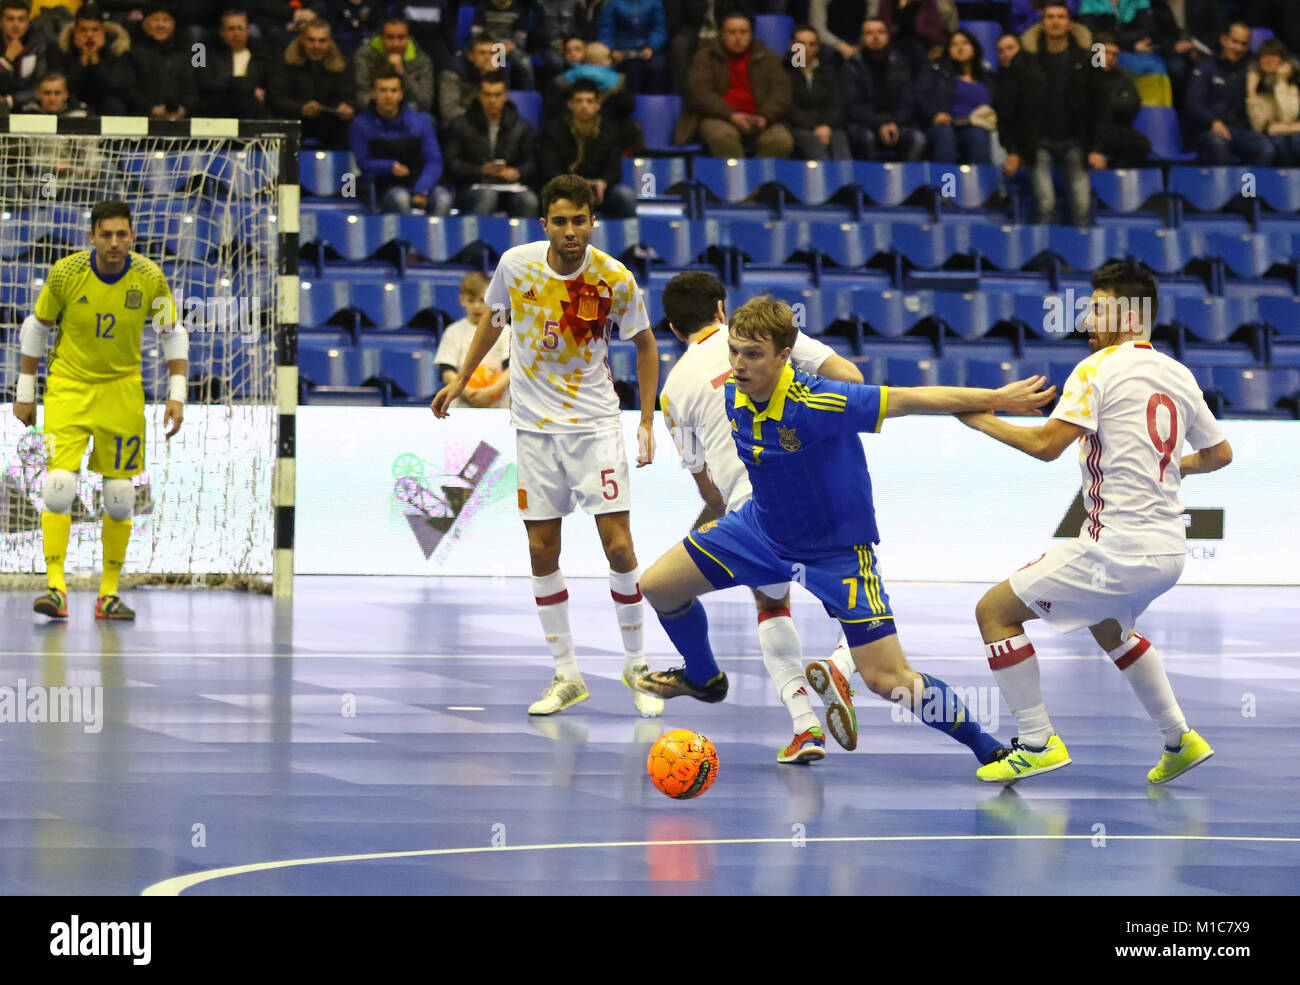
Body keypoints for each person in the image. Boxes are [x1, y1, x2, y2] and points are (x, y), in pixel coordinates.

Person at [633, 297, 1057, 768]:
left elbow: (910, 399)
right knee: (657, 586)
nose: (738, 364)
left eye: (752, 354)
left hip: (836, 553)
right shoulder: (735, 392)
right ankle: (705, 677)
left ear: (783, 356)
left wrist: (998, 399)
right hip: (759, 529)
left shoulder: (818, 402)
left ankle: (989, 748)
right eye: (734, 351)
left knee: (888, 679)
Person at [955, 259, 1231, 785]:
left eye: (1098, 310)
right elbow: (1220, 454)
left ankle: (1036, 743)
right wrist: (1170, 465)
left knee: (994, 611)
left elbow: (1044, 446)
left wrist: (981, 418)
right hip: (1170, 552)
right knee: (1110, 627)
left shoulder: (1097, 369)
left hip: (1115, 548)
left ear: (1129, 315)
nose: (1087, 322)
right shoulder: (1178, 372)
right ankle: (1179, 738)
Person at [432, 175, 662, 719]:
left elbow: (647, 346)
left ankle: (637, 666)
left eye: (579, 220)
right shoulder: (515, 265)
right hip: (534, 430)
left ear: (591, 222)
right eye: (559, 221)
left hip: (597, 426)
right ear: (545, 225)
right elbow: (493, 322)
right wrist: (462, 380)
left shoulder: (614, 278)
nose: (570, 231)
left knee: (620, 547)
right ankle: (566, 675)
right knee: (541, 552)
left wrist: (647, 419)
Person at [658, 272, 865, 762]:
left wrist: (717, 525)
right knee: (864, 604)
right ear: (722, 310)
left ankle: (804, 727)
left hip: (753, 514)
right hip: (819, 491)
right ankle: (841, 663)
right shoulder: (770, 342)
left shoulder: (674, 390)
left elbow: (708, 487)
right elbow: (853, 380)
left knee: (771, 604)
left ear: (671, 327)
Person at [12, 200, 188, 622]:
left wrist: (177, 393)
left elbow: (171, 332)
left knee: (120, 498)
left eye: (121, 234)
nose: (114, 242)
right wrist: (25, 389)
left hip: (122, 392)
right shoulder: (66, 274)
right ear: (91, 236)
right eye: (105, 234)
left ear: (131, 237)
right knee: (58, 486)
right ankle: (56, 589)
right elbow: (37, 327)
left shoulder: (150, 278)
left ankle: (107, 595)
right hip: (69, 388)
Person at [675, 12, 793, 158]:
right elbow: (701, 94)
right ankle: (736, 179)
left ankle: (760, 179)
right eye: (732, 32)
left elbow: (781, 92)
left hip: (760, 118)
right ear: (721, 34)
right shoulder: (705, 57)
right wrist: (731, 115)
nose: (738, 37)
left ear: (751, 34)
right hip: (720, 117)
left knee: (781, 141)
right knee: (722, 137)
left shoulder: (768, 57)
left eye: (743, 32)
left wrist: (765, 116)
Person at [1029, 2, 1103, 226]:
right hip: (1038, 142)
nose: (1055, 21)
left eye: (1060, 17)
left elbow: (1098, 105)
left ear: (1070, 24)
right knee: (1045, 206)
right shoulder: (1029, 58)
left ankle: (1080, 262)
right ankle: (1042, 260)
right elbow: (1017, 104)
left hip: (1075, 142)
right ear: (1042, 24)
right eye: (1050, 17)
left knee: (1083, 209)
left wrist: (1097, 148)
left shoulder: (1087, 59)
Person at [349, 71, 448, 214]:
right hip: (385, 186)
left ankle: (438, 236)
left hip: (421, 182)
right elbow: (363, 163)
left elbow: (434, 161)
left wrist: (422, 189)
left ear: (400, 94)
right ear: (374, 94)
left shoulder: (421, 122)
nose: (389, 96)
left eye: (393, 90)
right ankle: (408, 237)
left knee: (443, 198)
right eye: (383, 90)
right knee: (400, 198)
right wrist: (389, 166)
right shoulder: (361, 124)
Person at [442, 71, 539, 217]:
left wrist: (516, 172)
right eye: (488, 95)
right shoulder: (460, 125)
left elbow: (532, 163)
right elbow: (451, 164)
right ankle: (475, 239)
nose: (492, 100)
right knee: (487, 196)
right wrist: (481, 170)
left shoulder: (523, 127)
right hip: (473, 187)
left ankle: (525, 241)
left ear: (506, 96)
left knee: (529, 200)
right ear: (479, 96)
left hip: (510, 189)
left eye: (497, 95)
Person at [539, 79, 637, 217]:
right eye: (579, 101)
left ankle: (630, 237)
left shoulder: (610, 130)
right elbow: (550, 170)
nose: (584, 106)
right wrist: (575, 185)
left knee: (625, 195)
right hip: (564, 189)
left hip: (600, 191)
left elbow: (615, 171)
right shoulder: (553, 130)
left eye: (589, 101)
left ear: (598, 104)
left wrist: (602, 182)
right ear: (570, 104)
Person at [1188, 20, 1277, 165]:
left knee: (1265, 149)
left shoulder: (1250, 70)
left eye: (1244, 44)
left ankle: (1248, 187)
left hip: (1240, 130)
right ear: (1224, 40)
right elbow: (1194, 103)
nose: (1239, 48)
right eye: (1235, 41)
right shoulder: (1206, 67)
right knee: (1218, 145)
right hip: (1209, 129)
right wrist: (1213, 121)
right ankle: (1224, 188)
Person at [842, 17, 926, 162]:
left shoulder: (901, 63)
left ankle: (904, 181)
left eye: (880, 32)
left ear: (887, 36)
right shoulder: (852, 66)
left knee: (918, 139)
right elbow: (853, 105)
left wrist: (895, 123)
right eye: (869, 33)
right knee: (864, 138)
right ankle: (868, 182)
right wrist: (879, 125)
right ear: (861, 38)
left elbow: (909, 102)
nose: (875, 37)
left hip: (897, 123)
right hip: (864, 124)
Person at [267, 17, 355, 150]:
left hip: (330, 124)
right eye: (311, 40)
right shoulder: (285, 61)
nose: (317, 46)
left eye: (322, 41)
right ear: (302, 40)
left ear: (330, 42)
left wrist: (345, 108)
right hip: (294, 121)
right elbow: (276, 97)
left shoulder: (343, 64)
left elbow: (349, 94)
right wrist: (300, 108)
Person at [918, 28, 995, 164]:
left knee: (979, 135)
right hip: (945, 125)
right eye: (954, 44)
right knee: (945, 136)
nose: (960, 47)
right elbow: (921, 97)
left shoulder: (988, 77)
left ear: (974, 47)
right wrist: (934, 114)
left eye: (964, 43)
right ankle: (947, 185)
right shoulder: (938, 71)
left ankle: (978, 184)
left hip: (975, 126)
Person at [434, 271, 510, 409]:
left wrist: (489, 392)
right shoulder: (453, 331)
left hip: (498, 408)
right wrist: (467, 391)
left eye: (482, 300)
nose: (476, 306)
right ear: (462, 300)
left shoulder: (504, 331)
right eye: (471, 300)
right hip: (462, 406)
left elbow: (511, 369)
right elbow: (446, 370)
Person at [54, 3, 135, 116]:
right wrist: (83, 59)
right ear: (75, 31)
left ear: (103, 30)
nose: (89, 35)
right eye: (83, 30)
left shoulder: (117, 49)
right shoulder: (62, 49)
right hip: (72, 103)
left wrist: (96, 60)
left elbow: (118, 88)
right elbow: (64, 87)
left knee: (113, 103)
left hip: (106, 104)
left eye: (95, 29)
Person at [785, 23, 851, 161]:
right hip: (798, 127)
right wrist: (815, 127)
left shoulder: (828, 70)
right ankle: (822, 182)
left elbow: (836, 103)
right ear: (792, 45)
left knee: (840, 140)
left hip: (828, 126)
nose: (807, 49)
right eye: (801, 44)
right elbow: (789, 107)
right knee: (814, 143)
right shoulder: (783, 70)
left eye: (812, 44)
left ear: (817, 47)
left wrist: (826, 126)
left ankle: (846, 181)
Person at [195, 9, 270, 120]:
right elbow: (205, 82)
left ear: (248, 31)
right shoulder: (205, 54)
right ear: (222, 32)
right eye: (231, 29)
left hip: (253, 112)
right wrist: (246, 88)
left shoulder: (263, 55)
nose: (236, 33)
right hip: (217, 110)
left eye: (240, 28)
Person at [353, 16, 435, 115]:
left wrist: (402, 74)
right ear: (381, 38)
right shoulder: (365, 55)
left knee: (428, 120)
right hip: (375, 112)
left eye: (401, 37)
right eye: (390, 37)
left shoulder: (421, 60)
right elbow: (361, 95)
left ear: (408, 38)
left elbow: (425, 103)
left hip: (409, 112)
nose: (395, 44)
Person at [1092, 30, 1152, 166]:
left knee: (1141, 144)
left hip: (1113, 129)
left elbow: (1133, 104)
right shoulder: (1082, 74)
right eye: (1105, 52)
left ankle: (1114, 174)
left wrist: (1105, 105)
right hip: (1087, 131)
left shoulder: (1123, 75)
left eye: (1114, 54)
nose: (1110, 57)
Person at [128, 3, 196, 120]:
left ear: (173, 25)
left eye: (166, 20)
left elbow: (192, 89)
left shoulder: (186, 55)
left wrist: (184, 109)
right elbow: (129, 89)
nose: (161, 25)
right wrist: (150, 109)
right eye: (155, 20)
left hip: (180, 119)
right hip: (141, 117)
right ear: (145, 24)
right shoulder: (132, 53)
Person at [994, 31, 1044, 182]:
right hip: (1013, 142)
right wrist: (1012, 150)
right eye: (1000, 50)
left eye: (1010, 48)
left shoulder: (1035, 78)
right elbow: (1005, 118)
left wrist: (1018, 151)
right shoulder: (997, 80)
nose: (1005, 54)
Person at [596, 0, 669, 94]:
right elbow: (605, 30)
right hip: (622, 51)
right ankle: (632, 104)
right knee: (633, 70)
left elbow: (659, 29)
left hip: (650, 49)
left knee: (657, 68)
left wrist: (652, 47)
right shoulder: (612, 4)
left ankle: (655, 106)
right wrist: (612, 49)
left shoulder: (654, 3)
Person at [1247, 39, 1300, 165]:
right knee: (1281, 142)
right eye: (1264, 56)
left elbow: (1288, 116)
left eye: (1274, 55)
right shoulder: (1256, 85)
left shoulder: (1293, 84)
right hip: (1268, 137)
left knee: (1295, 141)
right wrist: (1251, 92)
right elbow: (1259, 125)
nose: (1269, 60)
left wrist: (1281, 81)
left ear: (1283, 60)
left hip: (1288, 133)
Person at [439, 34, 505, 121]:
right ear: (471, 56)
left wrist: (491, 76)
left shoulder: (500, 70)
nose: (488, 58)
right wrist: (480, 120)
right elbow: (449, 110)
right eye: (482, 53)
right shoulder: (453, 72)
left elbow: (503, 105)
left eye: (492, 53)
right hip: (462, 121)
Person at [0, 0, 49, 114]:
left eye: (21, 19)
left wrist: (10, 100)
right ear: (1, 22)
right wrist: (7, 60)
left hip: (27, 106)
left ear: (28, 22)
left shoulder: (38, 45)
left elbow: (41, 86)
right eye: (10, 19)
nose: (16, 25)